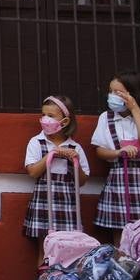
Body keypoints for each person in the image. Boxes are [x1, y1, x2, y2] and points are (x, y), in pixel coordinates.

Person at [92, 71, 140, 233]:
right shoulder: (106, 117)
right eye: (110, 92)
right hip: (119, 181)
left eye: (118, 93)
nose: (112, 96)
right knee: (120, 232)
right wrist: (118, 152)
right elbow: (100, 151)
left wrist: (135, 110)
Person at [23, 94, 90, 263]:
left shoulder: (75, 147)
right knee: (45, 249)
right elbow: (32, 172)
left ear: (65, 122)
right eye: (43, 115)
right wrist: (52, 154)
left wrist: (74, 160)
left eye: (51, 116)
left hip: (68, 204)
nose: (45, 119)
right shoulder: (37, 142)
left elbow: (82, 181)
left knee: (70, 250)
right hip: (44, 201)